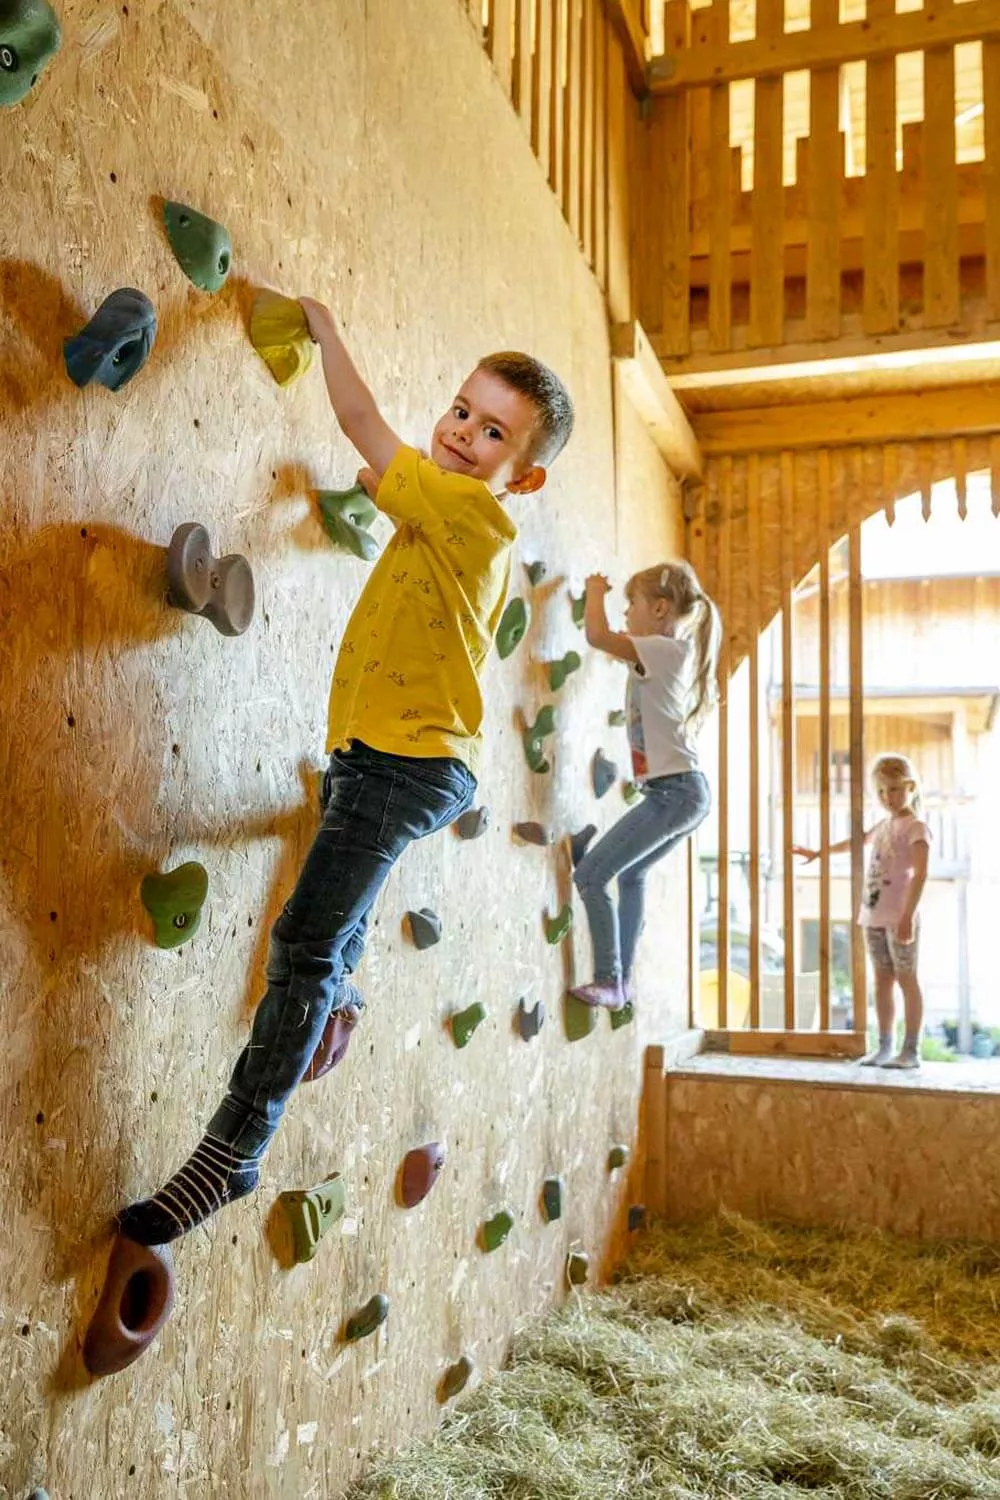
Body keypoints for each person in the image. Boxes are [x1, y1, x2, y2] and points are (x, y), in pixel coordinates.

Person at [118, 305, 574, 1246]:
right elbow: (385, 475)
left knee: (301, 947)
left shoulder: (471, 512)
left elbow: (366, 430)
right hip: (387, 759)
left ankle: (233, 1155)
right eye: (460, 409)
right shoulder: (449, 515)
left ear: (519, 477)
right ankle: (339, 1006)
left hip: (404, 765)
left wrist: (326, 331)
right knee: (332, 925)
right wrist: (376, 480)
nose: (460, 432)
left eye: (492, 432)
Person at [569, 562, 721, 1011]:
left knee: (591, 876)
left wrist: (594, 590)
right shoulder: (663, 652)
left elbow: (598, 636)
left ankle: (609, 979)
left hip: (676, 792)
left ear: (659, 608)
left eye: (630, 604)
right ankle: (622, 982)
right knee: (632, 875)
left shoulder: (661, 648)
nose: (626, 613)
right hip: (681, 793)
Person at [793, 752, 930, 1069]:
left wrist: (908, 917)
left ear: (910, 787)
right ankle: (884, 1046)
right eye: (881, 791)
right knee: (882, 980)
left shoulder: (916, 827)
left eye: (894, 789)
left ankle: (911, 1050)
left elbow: (921, 874)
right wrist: (818, 852)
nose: (888, 797)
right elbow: (856, 842)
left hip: (900, 918)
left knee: (907, 978)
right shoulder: (884, 825)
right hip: (874, 916)